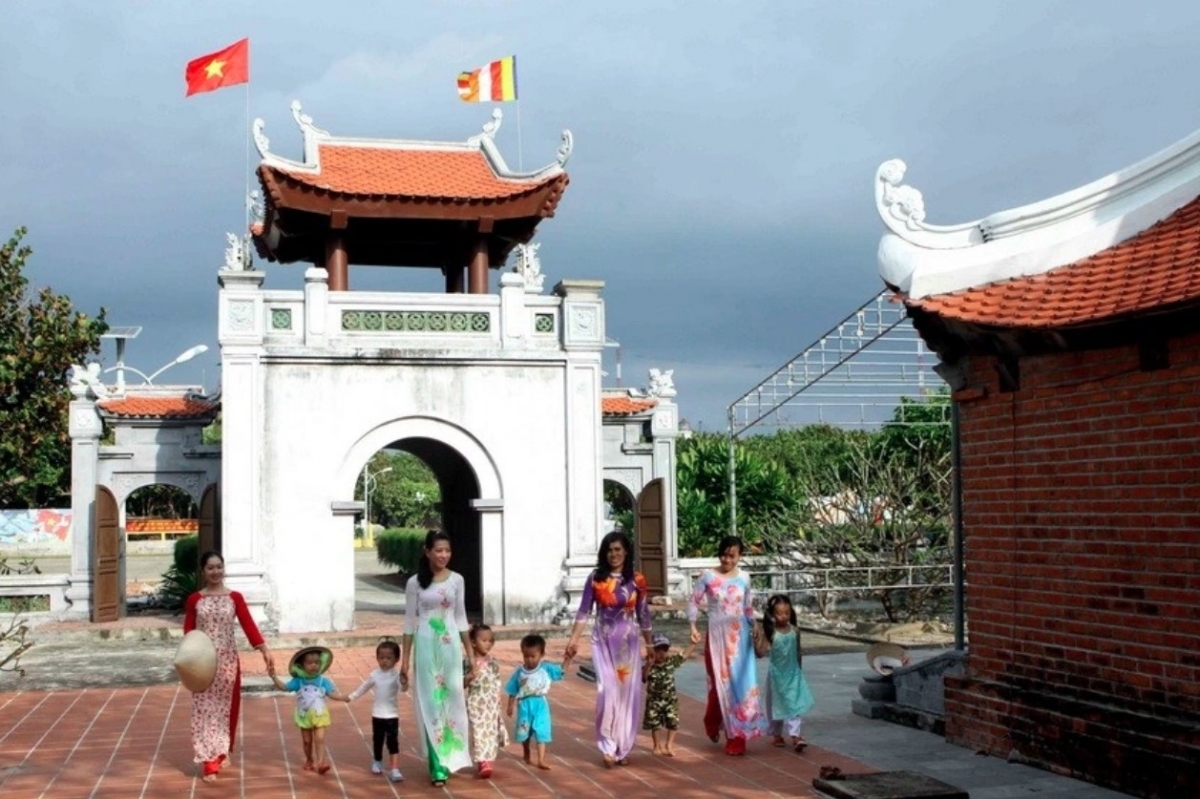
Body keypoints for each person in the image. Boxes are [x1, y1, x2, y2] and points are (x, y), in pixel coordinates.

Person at [564, 530, 655, 767]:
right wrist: (574, 640)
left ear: (626, 551)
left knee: (626, 697)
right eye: (609, 549)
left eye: (618, 549)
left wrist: (650, 643)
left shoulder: (637, 580)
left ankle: (621, 748)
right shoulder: (596, 578)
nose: (613, 554)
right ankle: (606, 743)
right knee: (607, 692)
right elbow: (584, 611)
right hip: (602, 643)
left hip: (628, 646)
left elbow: (643, 614)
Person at [183, 550, 275, 781]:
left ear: (224, 569)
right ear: (203, 571)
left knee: (226, 709)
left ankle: (223, 750)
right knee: (204, 710)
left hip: (227, 663)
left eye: (219, 567)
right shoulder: (195, 599)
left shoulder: (235, 598)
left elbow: (248, 624)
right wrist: (187, 660)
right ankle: (208, 761)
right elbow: (189, 631)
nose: (216, 571)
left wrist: (264, 649)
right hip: (201, 662)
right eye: (210, 568)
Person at [401, 530, 475, 787]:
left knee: (452, 700)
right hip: (425, 648)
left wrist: (471, 657)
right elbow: (410, 623)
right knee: (430, 703)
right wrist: (404, 662)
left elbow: (461, 619)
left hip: (450, 649)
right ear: (427, 551)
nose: (443, 555)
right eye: (438, 550)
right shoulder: (414, 583)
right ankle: (437, 765)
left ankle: (450, 756)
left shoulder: (457, 580)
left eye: (447, 550)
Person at [688, 535, 767, 755]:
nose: (727, 559)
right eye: (723, 554)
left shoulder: (745, 578)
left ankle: (736, 737)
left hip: (740, 638)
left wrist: (755, 626)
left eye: (732, 556)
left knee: (740, 687)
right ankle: (712, 721)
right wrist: (693, 627)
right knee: (719, 686)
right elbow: (693, 601)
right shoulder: (707, 576)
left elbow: (747, 607)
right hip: (715, 638)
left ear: (740, 556)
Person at [269, 646, 350, 774]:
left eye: (317, 663)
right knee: (307, 741)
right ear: (301, 665)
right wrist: (273, 677)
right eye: (309, 663)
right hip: (304, 715)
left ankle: (321, 762)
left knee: (320, 738)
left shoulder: (323, 681)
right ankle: (309, 759)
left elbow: (331, 693)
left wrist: (341, 698)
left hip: (320, 714)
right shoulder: (298, 681)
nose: (314, 666)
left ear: (321, 664)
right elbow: (284, 687)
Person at [754, 594, 815, 751]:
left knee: (793, 704)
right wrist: (756, 641)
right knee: (775, 705)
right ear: (773, 614)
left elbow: (798, 651)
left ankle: (795, 735)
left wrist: (799, 671)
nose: (783, 616)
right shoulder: (771, 633)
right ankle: (777, 735)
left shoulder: (795, 631)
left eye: (787, 612)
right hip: (776, 675)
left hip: (793, 674)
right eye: (779, 613)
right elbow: (760, 653)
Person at [505, 633, 571, 770]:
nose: (529, 660)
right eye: (526, 656)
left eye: (532, 656)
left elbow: (561, 671)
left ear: (541, 654)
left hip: (540, 705)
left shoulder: (545, 669)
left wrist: (568, 659)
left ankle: (541, 759)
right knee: (524, 732)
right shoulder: (520, 672)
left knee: (542, 730)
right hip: (524, 705)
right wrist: (510, 706)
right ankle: (526, 751)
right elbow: (513, 689)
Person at [348, 639, 407, 783]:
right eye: (381, 658)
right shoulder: (375, 674)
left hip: (392, 715)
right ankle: (377, 760)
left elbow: (403, 688)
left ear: (396, 659)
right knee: (378, 740)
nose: (384, 661)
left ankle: (394, 768)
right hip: (377, 714)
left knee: (393, 741)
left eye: (388, 658)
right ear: (377, 658)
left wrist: (404, 681)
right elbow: (364, 687)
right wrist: (351, 696)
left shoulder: (396, 675)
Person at [642, 631, 696, 756]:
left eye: (664, 649)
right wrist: (648, 666)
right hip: (654, 701)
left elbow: (684, 656)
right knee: (655, 724)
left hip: (670, 700)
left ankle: (669, 744)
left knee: (673, 722)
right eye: (658, 649)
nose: (661, 653)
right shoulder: (649, 665)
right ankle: (657, 745)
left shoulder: (670, 662)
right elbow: (644, 678)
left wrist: (693, 644)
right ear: (652, 651)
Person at [464, 623, 508, 779]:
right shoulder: (468, 662)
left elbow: (496, 681)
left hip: (491, 703)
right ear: (474, 642)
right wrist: (468, 678)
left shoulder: (493, 662)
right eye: (484, 640)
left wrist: (498, 699)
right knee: (478, 731)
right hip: (476, 702)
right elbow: (461, 683)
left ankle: (488, 759)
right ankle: (482, 761)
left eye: (490, 640)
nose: (488, 643)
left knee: (490, 731)